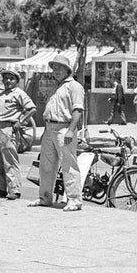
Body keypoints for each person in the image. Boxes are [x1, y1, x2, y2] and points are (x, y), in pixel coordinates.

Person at [30, 54, 85, 212]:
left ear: (67, 69)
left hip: (64, 129)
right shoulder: (56, 86)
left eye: (60, 67)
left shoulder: (74, 86)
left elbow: (77, 110)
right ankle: (45, 198)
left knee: (68, 164)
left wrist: (70, 130)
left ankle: (74, 199)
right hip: (50, 129)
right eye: (54, 68)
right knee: (46, 165)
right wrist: (46, 130)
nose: (56, 71)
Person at [0, 69, 36, 201]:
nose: (8, 81)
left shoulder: (19, 94)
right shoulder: (0, 95)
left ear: (16, 81)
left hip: (8, 128)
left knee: (9, 160)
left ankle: (14, 190)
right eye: (6, 78)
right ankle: (1, 188)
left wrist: (20, 121)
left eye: (11, 79)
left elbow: (32, 109)